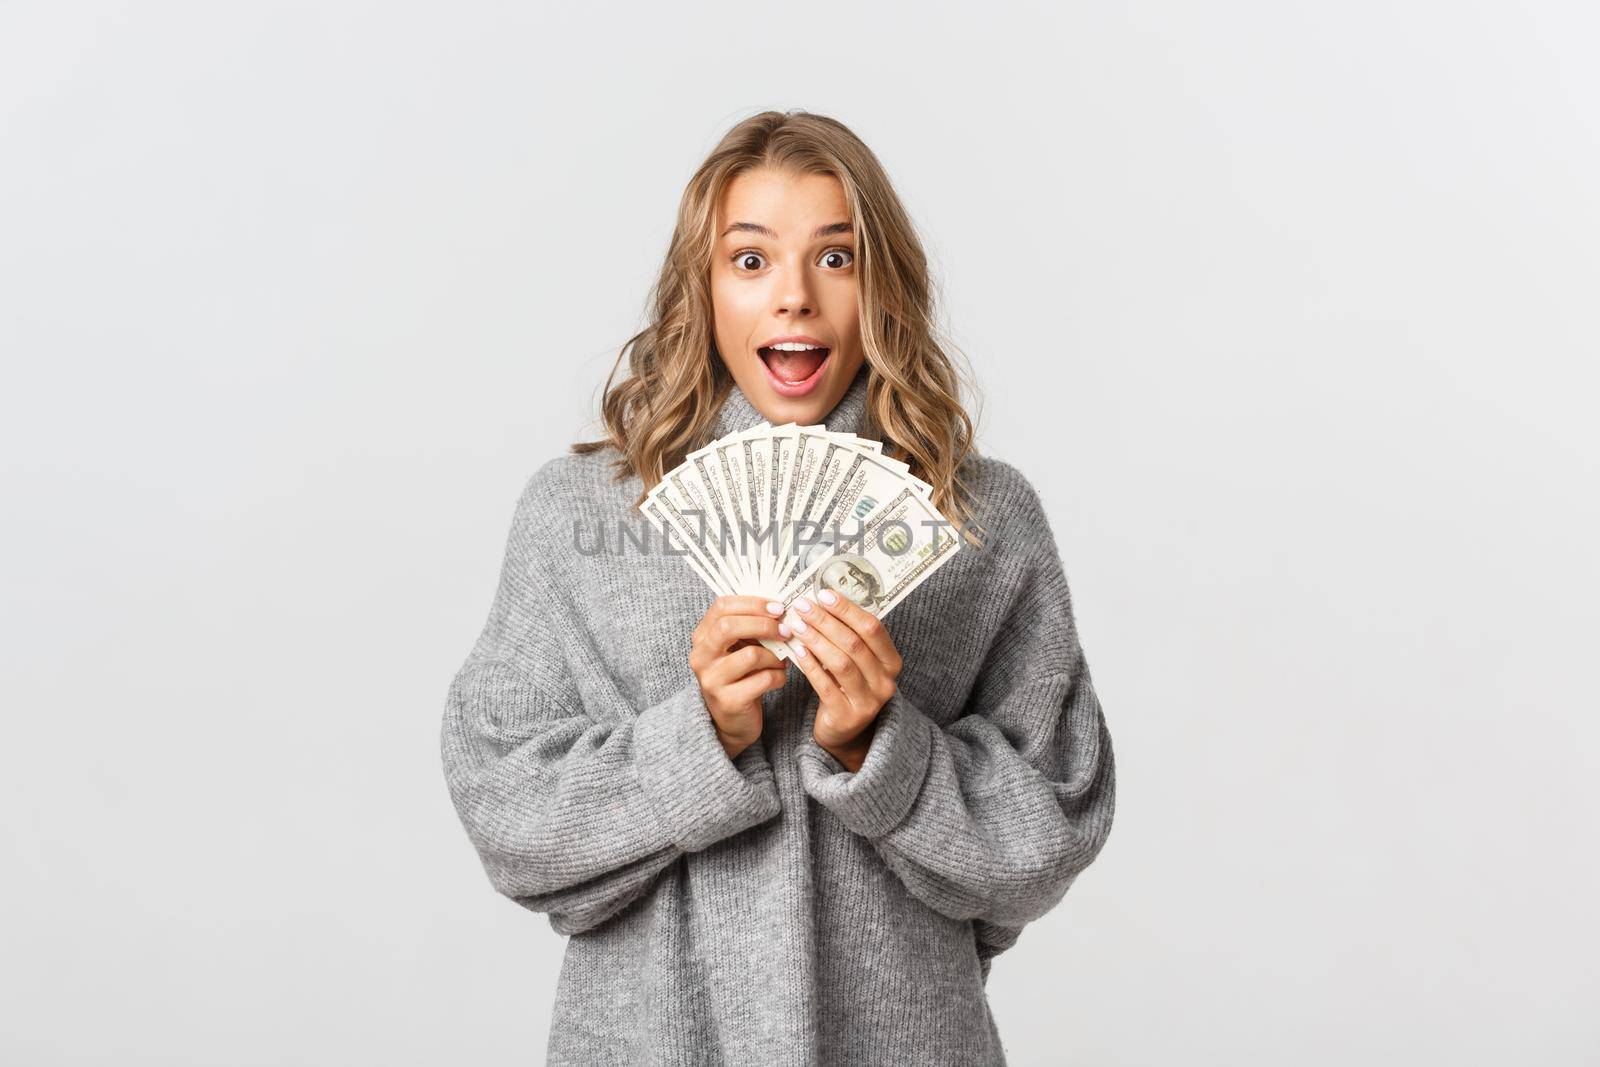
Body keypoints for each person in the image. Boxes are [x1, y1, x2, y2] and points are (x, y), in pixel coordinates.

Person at [438, 109, 1116, 1066]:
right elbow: (505, 812)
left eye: (835, 258)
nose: (793, 296)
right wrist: (699, 740)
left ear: (881, 283)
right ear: (701, 289)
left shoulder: (981, 519)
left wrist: (881, 748)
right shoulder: (577, 514)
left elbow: (1055, 825)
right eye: (749, 261)